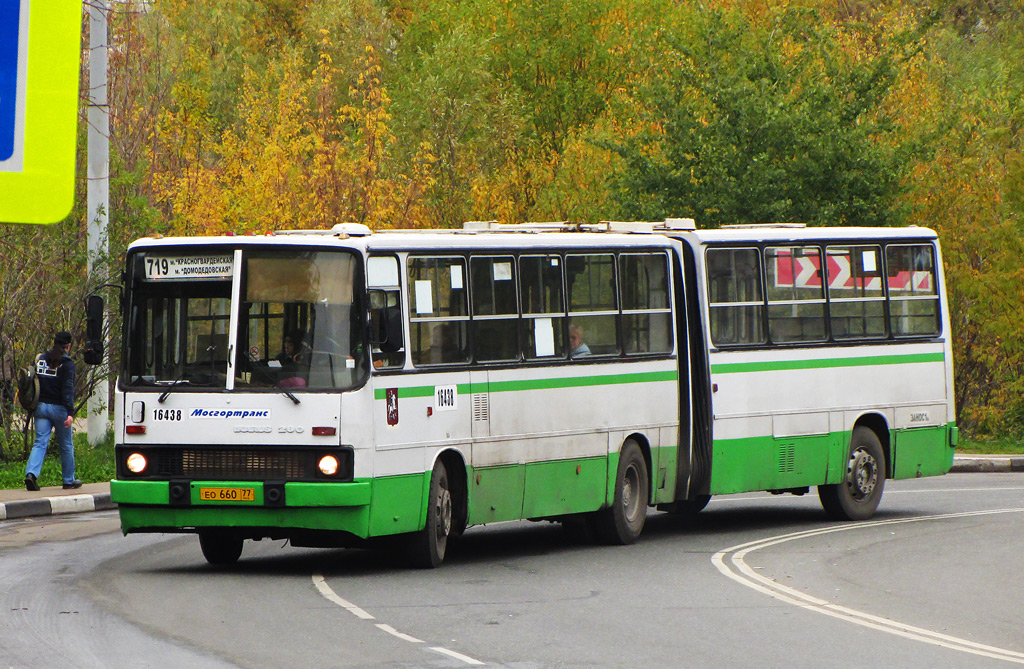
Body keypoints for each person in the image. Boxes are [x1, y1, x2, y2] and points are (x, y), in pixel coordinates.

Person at [24, 331, 81, 491]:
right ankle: (68, 480)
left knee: (40, 442)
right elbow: (68, 389)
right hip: (60, 409)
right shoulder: (67, 364)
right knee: (66, 445)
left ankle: (31, 474)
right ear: (68, 346)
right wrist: (70, 413)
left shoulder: (41, 359)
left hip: (41, 407)